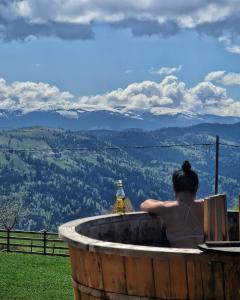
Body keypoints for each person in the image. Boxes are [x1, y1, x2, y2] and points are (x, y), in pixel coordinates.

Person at [140, 161, 204, 248]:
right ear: (196, 188)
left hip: (179, 260)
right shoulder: (206, 205)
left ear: (173, 188)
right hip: (204, 259)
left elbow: (144, 204)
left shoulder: (167, 208)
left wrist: (163, 203)